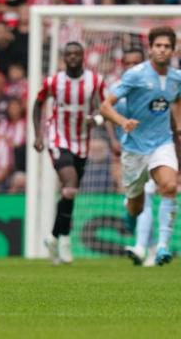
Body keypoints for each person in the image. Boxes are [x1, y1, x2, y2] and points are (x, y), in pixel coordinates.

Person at [101, 26, 181, 266]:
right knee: (136, 206)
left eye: (167, 46)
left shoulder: (177, 77)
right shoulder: (135, 75)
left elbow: (176, 102)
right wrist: (123, 122)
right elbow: (105, 107)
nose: (162, 50)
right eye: (158, 46)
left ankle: (163, 247)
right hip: (134, 148)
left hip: (161, 143)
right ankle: (129, 209)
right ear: (151, 48)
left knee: (169, 186)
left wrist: (178, 129)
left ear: (172, 50)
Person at [33, 41, 106, 265]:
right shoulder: (54, 81)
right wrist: (38, 135)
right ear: (64, 58)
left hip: (82, 142)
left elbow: (106, 109)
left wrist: (97, 119)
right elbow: (38, 104)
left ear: (83, 56)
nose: (73, 57)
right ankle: (64, 240)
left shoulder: (95, 81)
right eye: (69, 54)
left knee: (69, 192)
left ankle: (54, 237)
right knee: (70, 182)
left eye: (77, 54)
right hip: (58, 138)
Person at [105, 48, 158, 266]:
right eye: (128, 62)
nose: (132, 66)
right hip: (128, 153)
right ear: (123, 64)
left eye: (136, 62)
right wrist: (113, 140)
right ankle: (152, 247)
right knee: (131, 202)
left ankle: (140, 248)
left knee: (145, 196)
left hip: (152, 150)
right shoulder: (116, 89)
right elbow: (108, 114)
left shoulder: (154, 86)